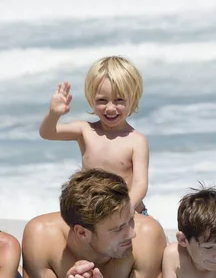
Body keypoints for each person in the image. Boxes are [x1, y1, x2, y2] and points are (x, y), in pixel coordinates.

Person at [22, 168, 166, 278]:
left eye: (131, 219)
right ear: (82, 232)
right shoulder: (42, 236)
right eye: (117, 229)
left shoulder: (147, 236)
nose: (132, 233)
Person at [39, 56, 151, 215]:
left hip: (129, 211)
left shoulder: (136, 140)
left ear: (133, 99)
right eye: (102, 100)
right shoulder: (85, 130)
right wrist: (53, 114)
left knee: (155, 235)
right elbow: (47, 133)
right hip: (93, 215)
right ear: (91, 100)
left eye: (119, 100)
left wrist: (122, 212)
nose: (110, 108)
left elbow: (140, 184)